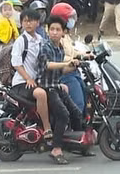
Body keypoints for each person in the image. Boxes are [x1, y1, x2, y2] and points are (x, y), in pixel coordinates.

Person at [38, 15, 88, 165]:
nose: (54, 32)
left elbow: (61, 71)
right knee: (63, 115)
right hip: (46, 88)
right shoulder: (45, 47)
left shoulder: (59, 48)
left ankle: (79, 145)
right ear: (47, 31)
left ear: (63, 33)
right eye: (52, 29)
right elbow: (47, 65)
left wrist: (74, 65)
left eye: (57, 30)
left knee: (77, 112)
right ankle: (56, 149)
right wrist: (65, 64)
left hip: (56, 86)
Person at [11, 9, 52, 138]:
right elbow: (16, 63)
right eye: (25, 21)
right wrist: (28, 78)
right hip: (22, 82)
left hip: (36, 81)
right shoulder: (21, 41)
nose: (28, 24)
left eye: (31, 21)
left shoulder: (40, 39)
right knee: (41, 94)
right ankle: (47, 128)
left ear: (38, 23)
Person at [52, 2, 89, 113]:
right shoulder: (56, 36)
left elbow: (72, 52)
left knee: (87, 96)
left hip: (74, 71)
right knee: (78, 103)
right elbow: (59, 57)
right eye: (69, 18)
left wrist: (84, 55)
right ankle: (75, 127)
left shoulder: (66, 35)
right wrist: (73, 61)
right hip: (66, 74)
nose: (72, 21)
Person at [0, 0, 19, 71]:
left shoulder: (12, 20)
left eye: (9, 10)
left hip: (12, 42)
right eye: (5, 10)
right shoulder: (0, 21)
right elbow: (0, 33)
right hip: (4, 43)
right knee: (3, 57)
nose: (7, 12)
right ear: (1, 12)